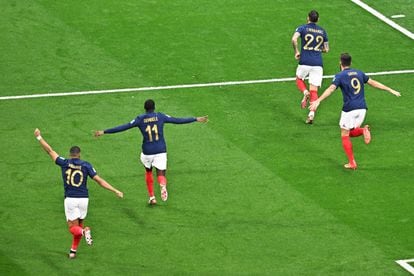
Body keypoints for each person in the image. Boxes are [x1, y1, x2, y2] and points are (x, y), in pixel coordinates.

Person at [94, 99, 208, 205]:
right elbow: (177, 120)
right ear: (154, 108)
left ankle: (152, 197)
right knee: (161, 173)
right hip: (160, 149)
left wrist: (104, 131)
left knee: (148, 171)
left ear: (145, 108)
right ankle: (162, 184)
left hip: (147, 151)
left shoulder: (140, 119)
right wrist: (195, 119)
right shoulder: (160, 116)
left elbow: (124, 127)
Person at [34, 128, 123, 259]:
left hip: (70, 199)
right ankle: (73, 251)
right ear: (79, 154)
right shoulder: (86, 165)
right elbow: (99, 181)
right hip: (84, 200)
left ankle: (84, 231)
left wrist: (39, 137)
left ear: (70, 155)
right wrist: (115, 190)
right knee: (79, 224)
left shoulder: (64, 163)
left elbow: (50, 151)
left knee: (73, 228)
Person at [309, 53, 401, 169]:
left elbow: (331, 89)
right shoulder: (359, 73)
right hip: (362, 109)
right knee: (350, 132)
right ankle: (362, 131)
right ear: (350, 63)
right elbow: (373, 83)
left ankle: (352, 162)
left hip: (349, 109)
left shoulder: (340, 76)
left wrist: (318, 100)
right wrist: (390, 89)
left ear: (340, 63)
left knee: (344, 134)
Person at [292, 10, 329, 124]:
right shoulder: (323, 31)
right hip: (318, 64)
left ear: (308, 18)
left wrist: (297, 51)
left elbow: (294, 39)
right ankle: (311, 115)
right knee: (314, 90)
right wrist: (317, 49)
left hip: (305, 61)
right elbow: (326, 49)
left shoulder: (302, 28)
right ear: (317, 19)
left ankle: (304, 92)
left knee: (299, 79)